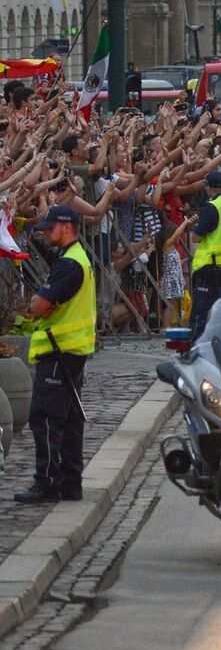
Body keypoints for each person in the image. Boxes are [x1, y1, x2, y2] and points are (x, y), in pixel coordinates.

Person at [13, 206, 96, 503]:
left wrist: (36, 301)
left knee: (46, 418)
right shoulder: (76, 258)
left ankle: (46, 482)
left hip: (59, 351)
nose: (46, 232)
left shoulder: (70, 263)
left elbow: (41, 305)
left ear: (68, 227)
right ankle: (71, 483)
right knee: (71, 419)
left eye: (51, 228)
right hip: (73, 349)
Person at [188, 170, 221, 336]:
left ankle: (193, 351)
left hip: (210, 266)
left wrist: (195, 226)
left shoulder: (212, 206)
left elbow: (196, 238)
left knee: (200, 313)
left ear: (209, 188)